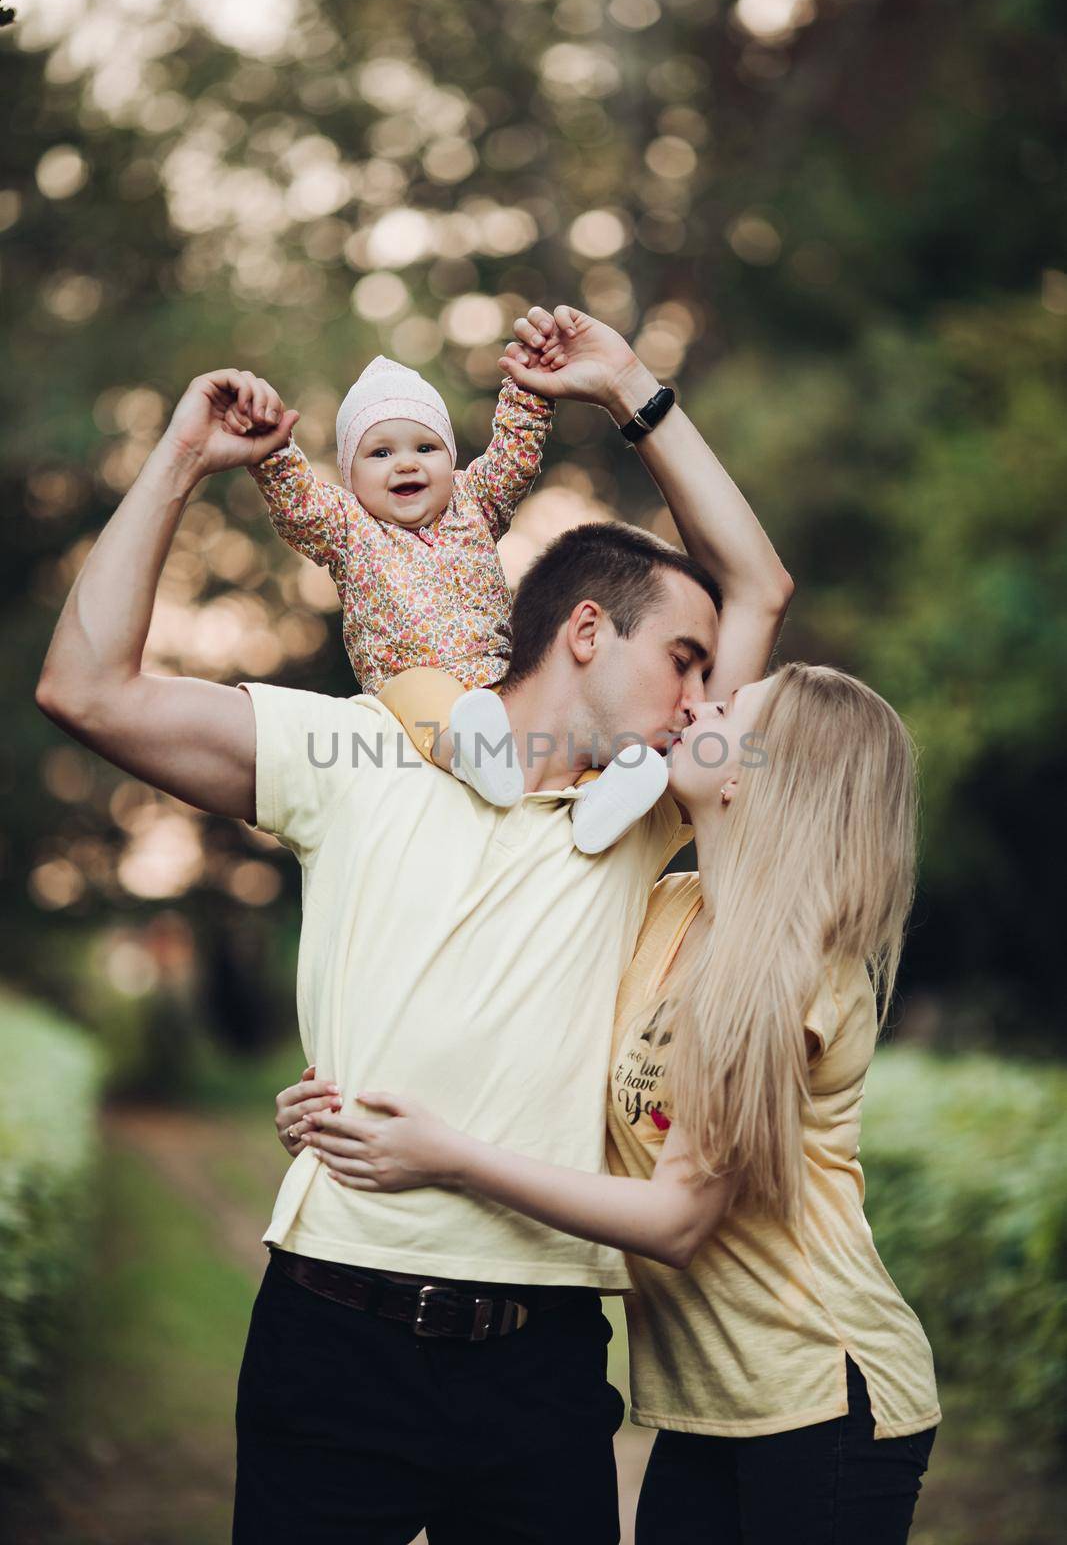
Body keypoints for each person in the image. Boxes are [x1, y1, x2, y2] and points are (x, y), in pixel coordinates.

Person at [35, 303, 793, 1544]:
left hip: (543, 1356)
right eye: (685, 661)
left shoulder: (655, 805)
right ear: (588, 632)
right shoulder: (352, 745)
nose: (709, 702)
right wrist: (179, 454)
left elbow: (759, 579)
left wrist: (627, 387)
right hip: (335, 1337)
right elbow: (85, 688)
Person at [283, 662, 941, 1545]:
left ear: (749, 770)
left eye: (725, 707)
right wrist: (345, 1101)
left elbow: (674, 1221)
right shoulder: (671, 906)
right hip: (707, 1408)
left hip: (821, 1399)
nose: (695, 705)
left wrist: (449, 1156)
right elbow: (534, 1035)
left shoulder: (795, 978)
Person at [232, 329, 671, 850]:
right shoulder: (346, 526)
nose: (406, 463)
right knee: (426, 691)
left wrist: (530, 391)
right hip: (412, 696)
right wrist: (273, 454)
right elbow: (298, 504)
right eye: (379, 453)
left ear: (451, 458)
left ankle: (602, 795)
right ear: (349, 477)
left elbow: (514, 457)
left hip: (500, 681)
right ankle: (472, 751)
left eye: (426, 447)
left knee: (564, 723)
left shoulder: (473, 503)